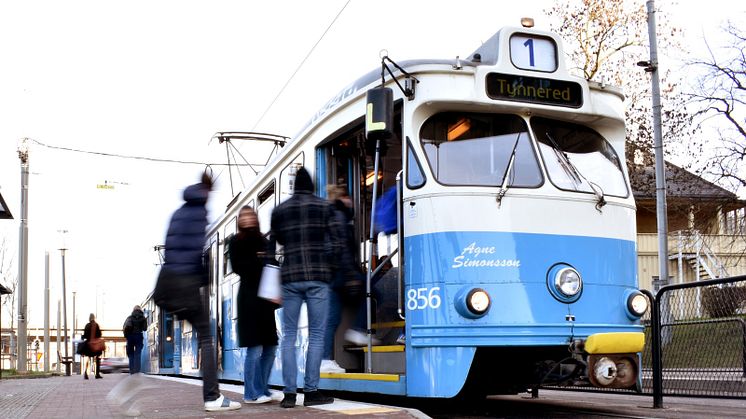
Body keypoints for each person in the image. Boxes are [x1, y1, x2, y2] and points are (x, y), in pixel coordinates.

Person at [161, 172, 241, 412]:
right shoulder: (199, 213)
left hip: (168, 282)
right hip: (186, 284)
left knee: (204, 334)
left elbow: (172, 249)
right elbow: (197, 250)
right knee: (207, 337)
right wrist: (204, 278)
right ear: (207, 190)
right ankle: (212, 397)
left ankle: (212, 396)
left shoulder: (178, 212)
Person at [270, 167, 342, 408]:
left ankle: (289, 395)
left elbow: (278, 240)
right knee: (317, 335)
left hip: (290, 278)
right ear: (312, 185)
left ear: (293, 187)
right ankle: (311, 392)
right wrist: (329, 268)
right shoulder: (325, 207)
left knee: (288, 337)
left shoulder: (280, 210)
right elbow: (337, 241)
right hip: (318, 277)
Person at [229, 206, 280, 404]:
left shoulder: (264, 241)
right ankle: (250, 394)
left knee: (270, 347)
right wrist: (261, 262)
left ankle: (263, 389)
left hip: (266, 300)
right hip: (249, 299)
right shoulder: (236, 241)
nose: (247, 218)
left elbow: (273, 264)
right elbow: (238, 267)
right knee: (255, 347)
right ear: (239, 221)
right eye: (243, 216)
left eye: (250, 215)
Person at [322, 185, 362, 373]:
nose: (352, 202)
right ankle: (358, 329)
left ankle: (325, 359)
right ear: (344, 198)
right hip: (340, 273)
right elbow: (344, 250)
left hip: (331, 275)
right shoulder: (340, 217)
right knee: (373, 292)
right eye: (350, 198)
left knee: (332, 318)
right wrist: (352, 276)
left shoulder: (329, 215)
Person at [123, 305, 148, 374]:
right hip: (138, 336)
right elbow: (145, 328)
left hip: (130, 337)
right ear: (140, 310)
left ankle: (132, 371)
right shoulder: (143, 318)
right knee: (138, 353)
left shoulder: (130, 317)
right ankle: (137, 370)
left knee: (131, 354)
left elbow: (125, 327)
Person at [82, 313, 103, 380]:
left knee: (88, 359)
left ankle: (86, 373)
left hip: (88, 345)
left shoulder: (87, 325)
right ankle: (97, 374)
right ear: (94, 318)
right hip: (95, 345)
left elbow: (84, 335)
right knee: (97, 359)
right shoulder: (96, 325)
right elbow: (99, 335)